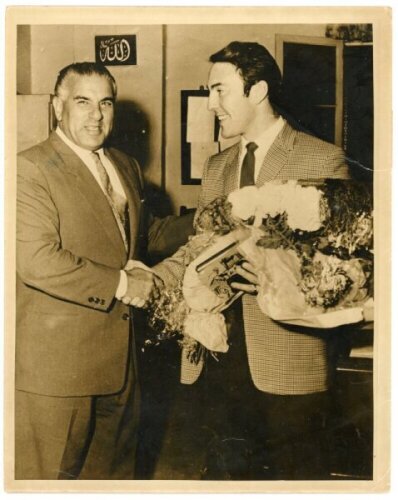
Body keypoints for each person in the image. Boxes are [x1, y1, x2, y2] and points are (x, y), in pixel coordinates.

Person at [153, 41, 351, 480]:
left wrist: (268, 270)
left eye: (221, 90)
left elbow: (341, 266)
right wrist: (156, 279)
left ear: (257, 90)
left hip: (288, 358)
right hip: (220, 355)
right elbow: (201, 246)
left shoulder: (320, 158)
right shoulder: (218, 166)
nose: (212, 103)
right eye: (210, 91)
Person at [15, 62, 178, 479]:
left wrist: (220, 216)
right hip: (59, 372)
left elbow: (140, 238)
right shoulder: (27, 168)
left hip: (122, 365)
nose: (96, 115)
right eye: (82, 102)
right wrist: (125, 283)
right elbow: (36, 259)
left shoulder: (124, 165)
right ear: (57, 107)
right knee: (50, 479)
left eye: (105, 102)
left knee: (112, 479)